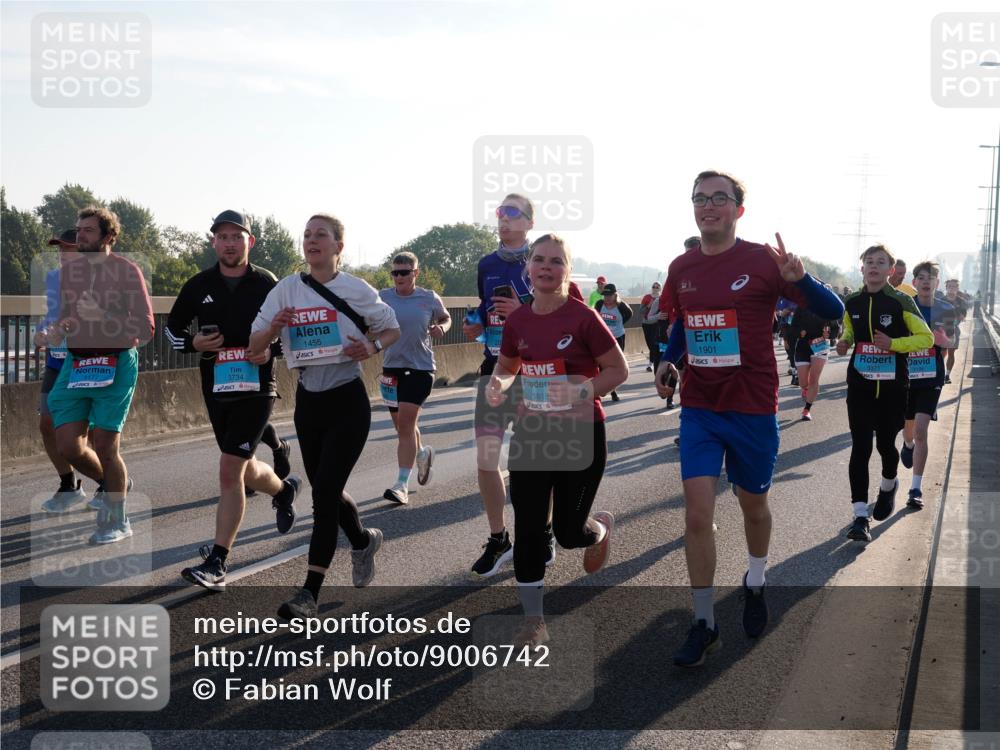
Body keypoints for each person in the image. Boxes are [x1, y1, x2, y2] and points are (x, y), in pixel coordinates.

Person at [655, 170, 844, 667]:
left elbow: (832, 309)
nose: (708, 205)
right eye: (700, 198)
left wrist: (802, 279)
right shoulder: (681, 266)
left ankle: (756, 579)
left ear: (739, 209)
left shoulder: (763, 260)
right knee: (697, 514)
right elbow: (684, 324)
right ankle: (704, 623)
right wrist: (668, 359)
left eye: (719, 198)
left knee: (753, 506)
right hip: (700, 407)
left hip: (752, 406)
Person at [249, 213, 399, 618]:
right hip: (309, 401)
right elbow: (254, 346)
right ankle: (363, 541)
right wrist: (274, 327)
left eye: (321, 235)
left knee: (323, 495)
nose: (311, 240)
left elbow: (391, 329)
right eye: (307, 235)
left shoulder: (356, 289)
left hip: (348, 400)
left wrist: (371, 347)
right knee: (325, 490)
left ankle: (309, 594)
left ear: (338, 247)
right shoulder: (286, 290)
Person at [486, 234, 628, 647]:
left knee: (568, 534)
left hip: (581, 433)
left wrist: (580, 391)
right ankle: (534, 621)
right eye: (539, 260)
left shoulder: (583, 317)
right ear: (528, 268)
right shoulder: (518, 320)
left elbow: (617, 370)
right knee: (529, 527)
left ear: (567, 270)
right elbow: (507, 365)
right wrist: (498, 383)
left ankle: (599, 529)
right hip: (533, 432)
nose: (546, 267)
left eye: (556, 261)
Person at [166, 210, 302, 591]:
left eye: (236, 237)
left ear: (249, 242)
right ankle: (283, 490)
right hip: (216, 388)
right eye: (222, 237)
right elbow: (172, 331)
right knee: (243, 468)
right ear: (214, 242)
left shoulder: (267, 283)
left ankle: (218, 561)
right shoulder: (199, 285)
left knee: (229, 470)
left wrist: (269, 350)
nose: (229, 243)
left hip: (257, 387)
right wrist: (193, 343)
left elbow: (290, 332)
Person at [44, 206, 155, 544]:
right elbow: (68, 317)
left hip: (116, 361)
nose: (80, 235)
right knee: (68, 446)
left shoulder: (127, 271)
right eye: (78, 230)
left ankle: (118, 520)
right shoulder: (70, 274)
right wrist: (57, 331)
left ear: (108, 236)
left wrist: (104, 316)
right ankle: (113, 482)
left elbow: (145, 328)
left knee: (105, 445)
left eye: (88, 230)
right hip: (77, 363)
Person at [462, 193, 552, 578]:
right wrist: (477, 325)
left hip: (536, 372)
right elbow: (487, 309)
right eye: (500, 212)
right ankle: (499, 538)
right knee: (486, 458)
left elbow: (561, 316)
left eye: (513, 213)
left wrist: (523, 312)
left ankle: (544, 531)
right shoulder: (487, 264)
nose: (503, 219)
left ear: (530, 222)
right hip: (496, 368)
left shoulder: (545, 259)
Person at [836, 244, 932, 542]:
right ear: (862, 268)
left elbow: (926, 338)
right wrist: (844, 342)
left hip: (892, 388)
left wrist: (894, 344)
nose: (874, 266)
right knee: (860, 446)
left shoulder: (901, 301)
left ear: (890, 270)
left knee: (886, 446)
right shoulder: (852, 301)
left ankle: (889, 485)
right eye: (869, 261)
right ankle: (859, 516)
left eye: (880, 262)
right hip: (860, 385)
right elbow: (849, 331)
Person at [378, 251, 451, 505]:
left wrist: (442, 327)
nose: (399, 277)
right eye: (395, 273)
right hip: (391, 369)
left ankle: (401, 485)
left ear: (415, 273)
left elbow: (446, 317)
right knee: (402, 428)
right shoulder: (383, 297)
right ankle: (421, 454)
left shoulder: (428, 297)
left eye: (404, 272)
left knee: (407, 424)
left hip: (420, 369)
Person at [37, 230, 92, 513]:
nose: (62, 254)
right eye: (60, 249)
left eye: (68, 249)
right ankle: (68, 485)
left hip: (85, 362)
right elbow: (51, 314)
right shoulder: (54, 278)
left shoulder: (98, 277)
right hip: (57, 361)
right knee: (46, 424)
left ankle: (111, 482)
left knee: (93, 432)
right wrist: (41, 333)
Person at [898, 261, 954, 510]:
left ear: (937, 283)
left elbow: (952, 342)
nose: (926, 282)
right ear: (914, 282)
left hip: (932, 377)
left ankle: (915, 489)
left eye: (930, 278)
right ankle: (907, 444)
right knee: (909, 429)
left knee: (921, 430)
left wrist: (945, 341)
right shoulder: (904, 306)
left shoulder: (946, 309)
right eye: (921, 278)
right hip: (907, 375)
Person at [788, 304, 832, 421]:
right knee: (803, 383)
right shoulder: (802, 306)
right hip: (803, 346)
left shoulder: (826, 306)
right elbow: (793, 327)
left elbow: (834, 325)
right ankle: (805, 389)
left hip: (820, 344)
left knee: (814, 379)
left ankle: (807, 410)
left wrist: (829, 334)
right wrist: (799, 332)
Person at [594, 283, 632, 402]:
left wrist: (619, 325)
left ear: (615, 295)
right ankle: (603, 387)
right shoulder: (599, 304)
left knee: (615, 365)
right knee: (601, 364)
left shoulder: (621, 306)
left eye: (609, 295)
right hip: (602, 337)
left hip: (617, 337)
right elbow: (594, 317)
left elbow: (629, 314)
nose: (607, 298)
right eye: (605, 295)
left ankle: (613, 390)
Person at [942, 279, 967, 384]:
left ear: (957, 288)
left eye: (954, 286)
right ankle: (940, 373)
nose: (951, 288)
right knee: (941, 353)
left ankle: (947, 375)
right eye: (950, 286)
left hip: (953, 329)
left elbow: (963, 316)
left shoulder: (961, 301)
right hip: (941, 330)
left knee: (951, 352)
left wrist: (958, 314)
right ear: (946, 288)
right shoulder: (940, 300)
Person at [639, 281, 663, 372]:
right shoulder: (647, 297)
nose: (655, 288)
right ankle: (654, 360)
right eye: (654, 287)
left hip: (656, 324)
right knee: (649, 343)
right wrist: (649, 305)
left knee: (653, 344)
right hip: (646, 324)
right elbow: (641, 311)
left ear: (660, 289)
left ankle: (651, 363)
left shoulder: (662, 298)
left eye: (657, 287)